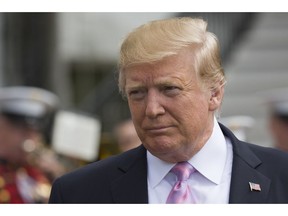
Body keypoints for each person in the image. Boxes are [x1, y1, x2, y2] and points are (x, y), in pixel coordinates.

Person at [49, 17, 288, 204]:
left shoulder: (281, 176)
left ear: (215, 93)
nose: (152, 109)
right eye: (137, 93)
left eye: (170, 89)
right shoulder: (78, 193)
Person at [0, 86, 65, 203]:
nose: (30, 137)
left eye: (35, 130)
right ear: (2, 126)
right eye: (22, 129)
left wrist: (58, 179)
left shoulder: (38, 174)